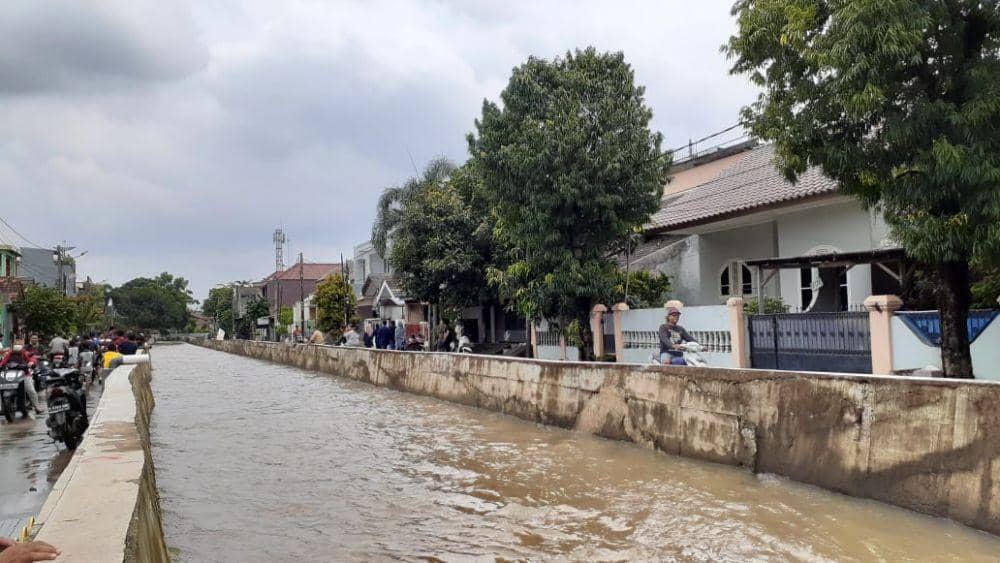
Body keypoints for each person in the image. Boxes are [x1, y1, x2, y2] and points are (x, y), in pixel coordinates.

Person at [0, 342, 42, 415]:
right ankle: (2, 408)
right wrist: (1, 365)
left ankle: (36, 407)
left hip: (24, 374)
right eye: (16, 345)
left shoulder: (25, 353)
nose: (17, 348)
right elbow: (3, 362)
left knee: (31, 390)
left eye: (19, 345)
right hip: (12, 374)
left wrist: (31, 363)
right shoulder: (9, 354)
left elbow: (32, 359)